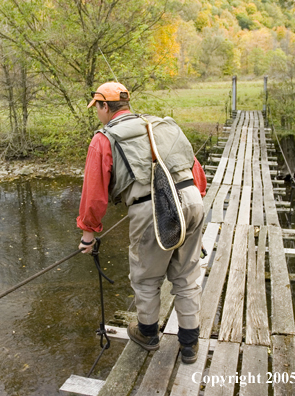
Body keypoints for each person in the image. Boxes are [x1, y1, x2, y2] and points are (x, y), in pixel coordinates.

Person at [77, 81, 206, 364]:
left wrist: (88, 234)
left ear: (104, 106)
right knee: (187, 277)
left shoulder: (104, 138)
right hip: (194, 200)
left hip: (153, 209)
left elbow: (93, 195)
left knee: (146, 278)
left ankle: (147, 333)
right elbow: (196, 169)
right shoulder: (161, 125)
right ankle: (189, 344)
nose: (96, 114)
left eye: (96, 108)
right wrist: (191, 213)